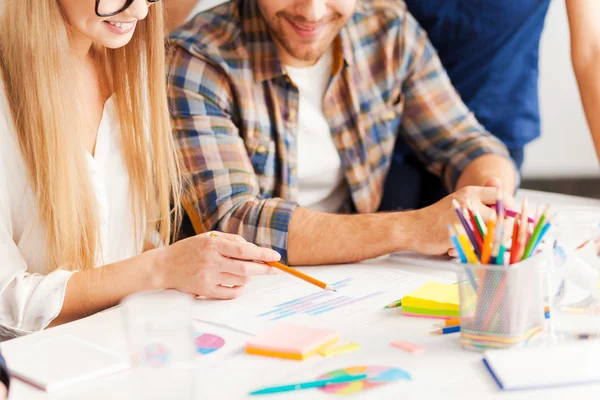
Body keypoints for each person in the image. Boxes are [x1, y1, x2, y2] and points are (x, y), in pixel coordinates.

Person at [0, 0, 281, 339]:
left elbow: (138, 242)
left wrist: (187, 265)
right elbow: (7, 304)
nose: (140, 13)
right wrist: (162, 267)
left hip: (124, 345)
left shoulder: (131, 67)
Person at [167, 0, 518, 267]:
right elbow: (236, 220)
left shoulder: (388, 30)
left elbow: (463, 141)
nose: (312, 12)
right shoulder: (196, 57)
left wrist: (492, 196)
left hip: (354, 278)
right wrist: (413, 228)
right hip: (241, 288)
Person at [380, 0, 600, 211]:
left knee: (481, 232)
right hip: (390, 125)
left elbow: (591, 53)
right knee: (391, 233)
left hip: (493, 127)